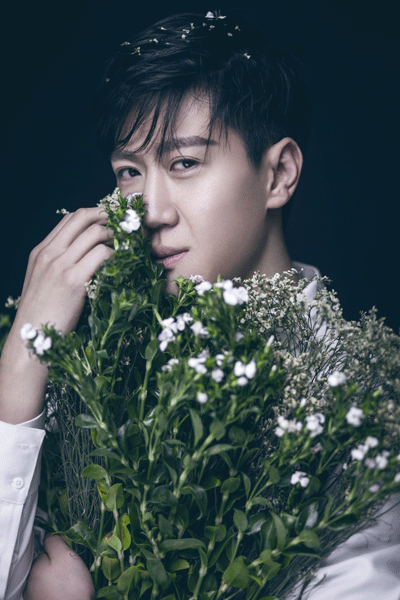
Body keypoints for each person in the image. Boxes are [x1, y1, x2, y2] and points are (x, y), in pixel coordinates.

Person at [0, 10, 399, 600]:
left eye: (184, 162)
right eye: (129, 172)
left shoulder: (355, 404)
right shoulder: (94, 357)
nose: (151, 210)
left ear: (279, 174)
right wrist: (21, 364)